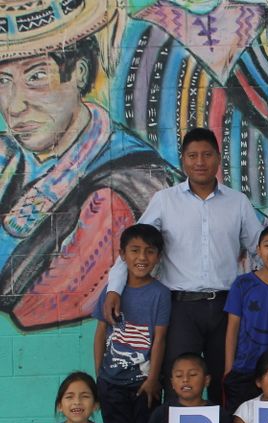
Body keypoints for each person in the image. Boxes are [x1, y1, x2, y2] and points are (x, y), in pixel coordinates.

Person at [0, 0, 173, 328]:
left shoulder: (125, 186)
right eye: (3, 81)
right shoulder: (7, 155)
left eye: (36, 76)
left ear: (79, 72)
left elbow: (40, 308)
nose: (15, 104)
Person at [102, 127, 268, 404]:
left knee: (224, 380)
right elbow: (135, 245)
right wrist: (114, 288)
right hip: (179, 308)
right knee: (177, 380)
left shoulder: (237, 202)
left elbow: (259, 247)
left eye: (206, 155)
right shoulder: (164, 201)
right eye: (192, 155)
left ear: (218, 158)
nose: (199, 162)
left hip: (226, 306)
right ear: (183, 160)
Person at [92, 224, 171, 423]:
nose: (142, 258)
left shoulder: (160, 294)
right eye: (135, 250)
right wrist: (99, 375)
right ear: (122, 254)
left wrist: (152, 379)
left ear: (158, 256)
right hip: (111, 383)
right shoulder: (112, 291)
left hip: (142, 385)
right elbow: (100, 334)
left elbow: (159, 339)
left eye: (149, 251)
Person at [223, 224, 268, 415]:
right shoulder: (242, 284)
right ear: (258, 250)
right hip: (244, 367)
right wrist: (229, 367)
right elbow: (233, 327)